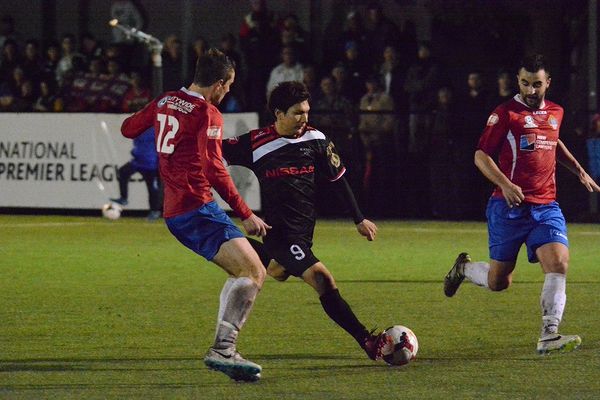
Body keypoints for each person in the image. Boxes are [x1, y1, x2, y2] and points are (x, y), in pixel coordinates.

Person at [120, 48, 270, 382]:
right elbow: (213, 167)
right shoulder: (207, 113)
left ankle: (225, 350)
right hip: (196, 207)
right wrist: (246, 213)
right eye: (228, 85)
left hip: (177, 211)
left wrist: (160, 121)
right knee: (254, 270)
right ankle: (223, 349)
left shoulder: (165, 100)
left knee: (242, 271)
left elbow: (128, 129)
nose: (228, 91)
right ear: (218, 83)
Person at [222, 81, 392, 362]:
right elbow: (214, 153)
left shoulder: (316, 139)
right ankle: (367, 340)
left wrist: (358, 218)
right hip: (280, 234)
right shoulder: (256, 143)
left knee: (278, 270)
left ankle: (238, 248)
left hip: (303, 234)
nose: (305, 118)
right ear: (278, 114)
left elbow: (338, 180)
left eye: (306, 111)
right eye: (298, 112)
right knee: (322, 279)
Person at [444, 54, 600, 354]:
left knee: (558, 263)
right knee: (499, 281)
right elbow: (480, 155)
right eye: (525, 83)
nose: (531, 91)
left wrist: (579, 170)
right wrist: (505, 183)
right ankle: (463, 269)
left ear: (548, 83)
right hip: (509, 208)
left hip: (546, 205)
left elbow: (553, 142)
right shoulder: (505, 114)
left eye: (537, 84)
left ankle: (549, 333)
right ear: (518, 81)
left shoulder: (556, 111)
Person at [110, 127, 162, 221]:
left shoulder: (155, 129)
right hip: (137, 161)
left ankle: (154, 211)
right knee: (123, 172)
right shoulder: (139, 128)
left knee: (153, 189)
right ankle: (124, 198)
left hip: (151, 164)